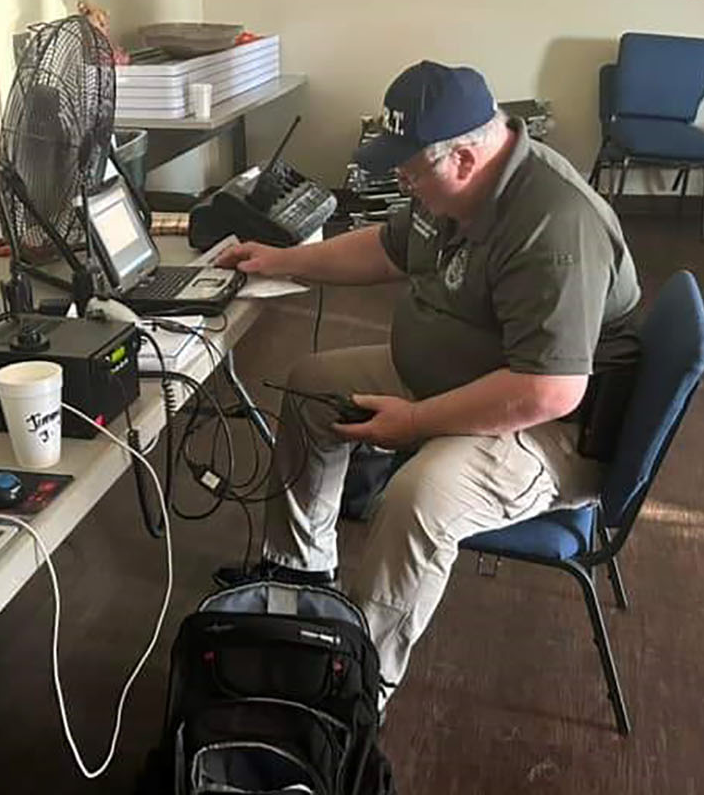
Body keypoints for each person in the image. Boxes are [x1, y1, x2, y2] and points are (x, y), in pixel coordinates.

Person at [214, 60, 641, 708]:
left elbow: (549, 391)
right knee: (311, 387)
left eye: (410, 171)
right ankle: (300, 572)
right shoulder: (451, 189)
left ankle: (356, 689)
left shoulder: (553, 225)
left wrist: (413, 424)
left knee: (419, 498)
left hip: (546, 426)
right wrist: (282, 259)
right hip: (465, 375)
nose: (402, 184)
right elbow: (386, 249)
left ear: (465, 158)